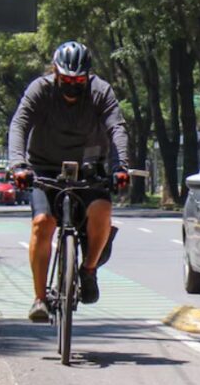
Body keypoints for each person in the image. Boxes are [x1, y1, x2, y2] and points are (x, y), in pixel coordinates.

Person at [8, 41, 130, 323]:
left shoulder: (101, 91)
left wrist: (120, 166)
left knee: (102, 210)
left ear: (87, 76)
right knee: (42, 223)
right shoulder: (40, 90)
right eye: (67, 79)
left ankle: (88, 269)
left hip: (90, 169)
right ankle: (40, 299)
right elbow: (19, 124)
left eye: (79, 80)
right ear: (55, 72)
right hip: (44, 169)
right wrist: (18, 165)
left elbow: (117, 128)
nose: (73, 86)